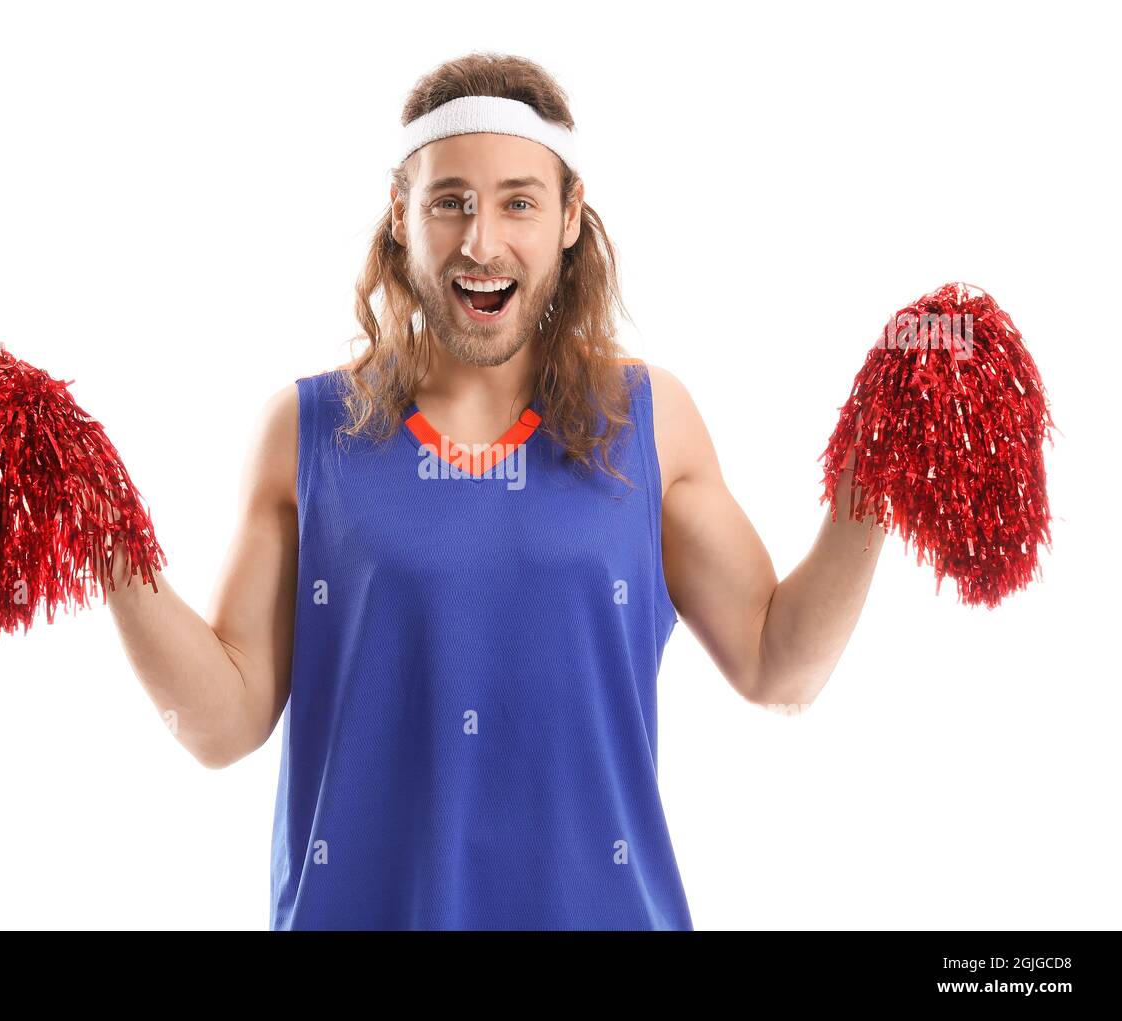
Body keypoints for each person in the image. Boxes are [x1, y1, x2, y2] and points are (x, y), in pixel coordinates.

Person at [102, 52, 887, 930]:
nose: (481, 242)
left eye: (519, 201)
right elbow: (221, 725)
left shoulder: (650, 420)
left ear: (569, 216)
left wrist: (877, 467)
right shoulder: (308, 432)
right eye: (450, 202)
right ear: (401, 214)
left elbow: (779, 666)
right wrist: (103, 532)